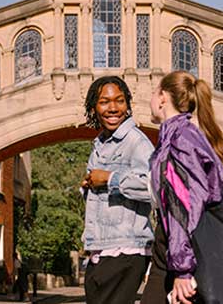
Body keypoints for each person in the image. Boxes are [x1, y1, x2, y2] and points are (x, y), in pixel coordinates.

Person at [142, 71, 223, 304]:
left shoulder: (181, 140)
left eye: (153, 92)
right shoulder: (175, 137)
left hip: (186, 247)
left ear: (162, 97)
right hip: (172, 245)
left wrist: (183, 269)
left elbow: (183, 205)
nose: (150, 99)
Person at [81, 76, 155, 304]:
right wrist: (89, 187)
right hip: (101, 247)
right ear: (94, 107)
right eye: (104, 102)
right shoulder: (101, 144)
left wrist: (110, 178)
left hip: (126, 249)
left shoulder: (136, 142)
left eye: (119, 101)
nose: (113, 108)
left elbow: (152, 187)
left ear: (128, 104)